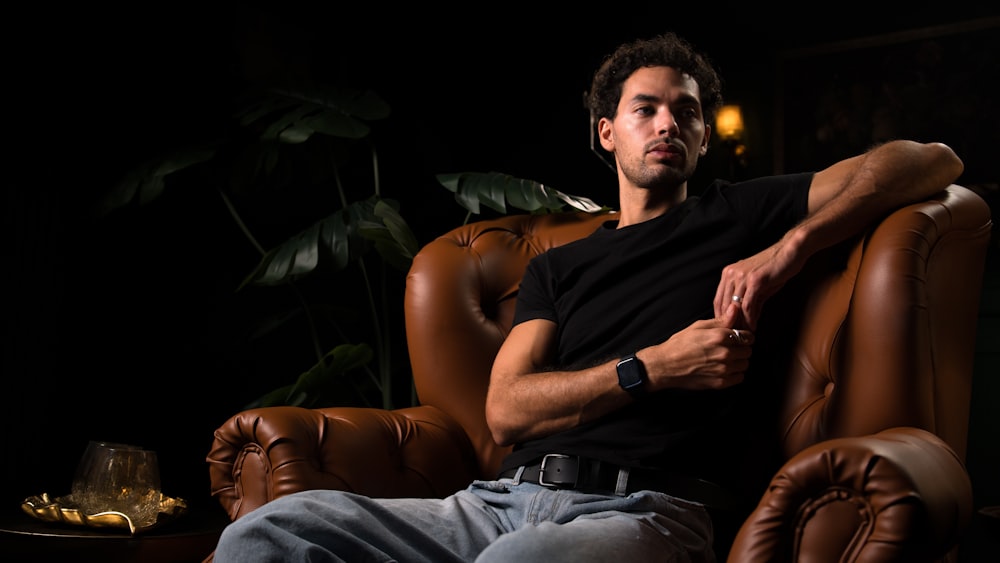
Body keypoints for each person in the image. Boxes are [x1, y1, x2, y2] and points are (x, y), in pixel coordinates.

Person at [212, 32, 964, 562]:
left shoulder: (742, 213)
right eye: (648, 108)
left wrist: (788, 247)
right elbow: (506, 410)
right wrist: (654, 367)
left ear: (702, 139)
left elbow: (930, 159)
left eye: (689, 112)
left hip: (650, 512)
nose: (670, 121)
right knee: (269, 532)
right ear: (608, 133)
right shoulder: (558, 269)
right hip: (495, 504)